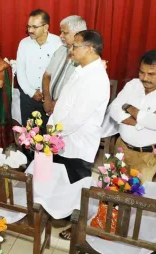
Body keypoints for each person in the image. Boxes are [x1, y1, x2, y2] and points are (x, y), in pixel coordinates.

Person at [48, 30, 109, 239]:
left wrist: (54, 132)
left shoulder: (97, 78)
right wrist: (51, 127)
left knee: (78, 186)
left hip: (77, 142)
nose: (71, 49)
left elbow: (76, 117)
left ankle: (78, 228)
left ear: (90, 49)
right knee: (61, 181)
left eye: (75, 46)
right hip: (62, 138)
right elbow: (63, 103)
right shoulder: (81, 69)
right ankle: (62, 215)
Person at [109, 50, 156, 181]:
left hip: (147, 157)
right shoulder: (133, 85)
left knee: (137, 199)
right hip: (121, 148)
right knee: (111, 192)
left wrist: (128, 107)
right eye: (141, 72)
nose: (144, 78)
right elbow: (113, 109)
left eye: (151, 74)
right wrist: (142, 121)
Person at [17, 9, 62, 126]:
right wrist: (32, 93)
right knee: (28, 135)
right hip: (28, 97)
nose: (30, 30)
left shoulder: (59, 43)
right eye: (28, 26)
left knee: (48, 136)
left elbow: (60, 73)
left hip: (50, 98)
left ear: (46, 27)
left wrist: (46, 94)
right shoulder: (24, 43)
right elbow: (20, 72)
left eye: (34, 27)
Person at [42, 16, 87, 115]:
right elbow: (46, 76)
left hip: (69, 111)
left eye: (65, 33)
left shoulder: (86, 58)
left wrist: (57, 103)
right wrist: (47, 98)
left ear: (78, 34)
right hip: (50, 107)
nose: (61, 36)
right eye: (61, 32)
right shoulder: (60, 50)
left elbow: (77, 88)